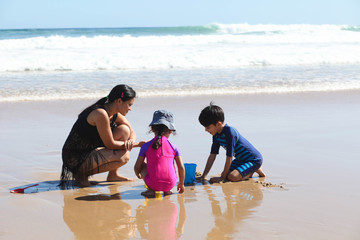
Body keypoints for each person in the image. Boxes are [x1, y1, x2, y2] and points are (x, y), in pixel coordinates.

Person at [60, 84, 144, 187]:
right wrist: (137, 145)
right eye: (129, 105)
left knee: (124, 130)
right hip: (75, 157)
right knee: (124, 157)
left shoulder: (113, 112)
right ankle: (80, 176)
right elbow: (110, 144)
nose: (130, 109)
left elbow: (131, 130)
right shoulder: (100, 114)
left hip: (88, 152)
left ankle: (113, 175)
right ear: (119, 101)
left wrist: (131, 140)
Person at [197, 103, 265, 184]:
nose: (206, 130)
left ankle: (253, 170)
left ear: (218, 124)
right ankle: (253, 169)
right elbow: (212, 156)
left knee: (232, 177)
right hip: (240, 160)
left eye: (208, 127)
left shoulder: (230, 132)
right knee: (226, 175)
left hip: (253, 159)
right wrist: (204, 175)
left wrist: (222, 178)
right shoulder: (216, 135)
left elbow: (229, 157)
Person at [134, 110, 185, 197]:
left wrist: (138, 174)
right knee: (169, 165)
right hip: (171, 184)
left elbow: (137, 167)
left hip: (153, 183)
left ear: (153, 129)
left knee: (143, 164)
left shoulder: (145, 146)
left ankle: (151, 190)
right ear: (170, 131)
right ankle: (167, 191)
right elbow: (181, 168)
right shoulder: (174, 147)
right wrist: (181, 184)